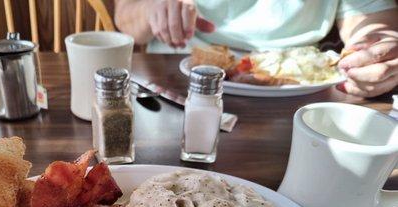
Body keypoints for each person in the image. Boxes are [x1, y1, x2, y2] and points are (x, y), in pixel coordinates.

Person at [114, 0, 398, 97]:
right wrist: (153, 8)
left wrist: (373, 53)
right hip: (172, 90)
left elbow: (373, 21)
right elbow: (126, 17)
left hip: (299, 96)